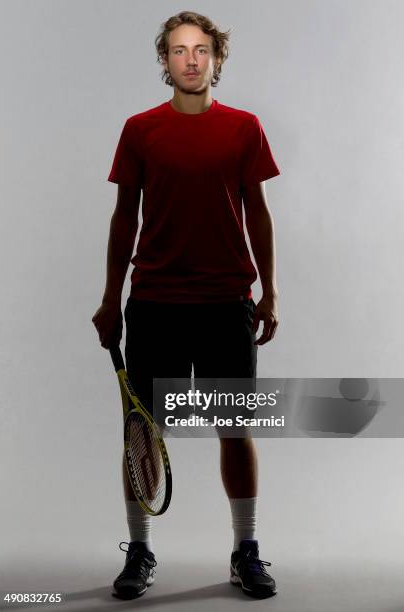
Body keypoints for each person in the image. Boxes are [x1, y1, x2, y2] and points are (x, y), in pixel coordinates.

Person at [92, 10, 280, 600]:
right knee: (141, 433)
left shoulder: (245, 128)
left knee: (234, 428)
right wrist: (109, 297)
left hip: (227, 302)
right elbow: (125, 218)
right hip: (153, 303)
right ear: (165, 60)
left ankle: (245, 550)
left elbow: (258, 212)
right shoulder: (140, 129)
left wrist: (269, 291)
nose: (191, 59)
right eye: (179, 50)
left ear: (216, 59)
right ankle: (139, 551)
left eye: (201, 50)